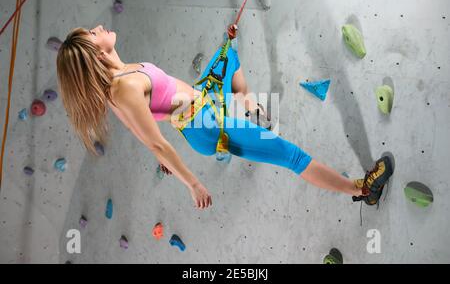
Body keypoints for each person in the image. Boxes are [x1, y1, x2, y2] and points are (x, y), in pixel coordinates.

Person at [56, 25, 393, 210]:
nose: (99, 27)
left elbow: (137, 126)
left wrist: (161, 156)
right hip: (206, 124)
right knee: (291, 155)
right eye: (92, 32)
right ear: (95, 51)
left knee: (227, 54)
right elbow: (156, 142)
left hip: (203, 101)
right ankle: (362, 189)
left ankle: (249, 105)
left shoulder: (122, 75)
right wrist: (192, 183)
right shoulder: (123, 88)